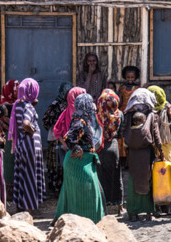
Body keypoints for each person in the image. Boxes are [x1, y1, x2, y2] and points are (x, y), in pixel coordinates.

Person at [54, 93, 106, 223]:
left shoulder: (85, 119)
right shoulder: (80, 120)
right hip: (78, 163)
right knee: (86, 193)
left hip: (85, 162)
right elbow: (69, 137)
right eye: (90, 104)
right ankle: (85, 222)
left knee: (86, 192)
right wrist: (77, 149)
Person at [123, 88, 164, 222]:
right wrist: (161, 152)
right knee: (147, 180)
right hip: (147, 154)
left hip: (132, 154)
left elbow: (124, 134)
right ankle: (148, 212)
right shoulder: (152, 114)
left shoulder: (128, 115)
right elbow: (156, 135)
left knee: (133, 181)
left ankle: (133, 213)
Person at [8, 78, 46, 212]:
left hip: (21, 144)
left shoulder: (17, 105)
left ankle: (19, 206)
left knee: (21, 174)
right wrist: (32, 131)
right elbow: (25, 123)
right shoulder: (28, 107)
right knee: (30, 175)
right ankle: (29, 209)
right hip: (30, 145)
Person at [42, 82, 73, 197]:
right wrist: (58, 126)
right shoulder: (55, 105)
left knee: (63, 164)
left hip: (67, 139)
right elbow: (45, 120)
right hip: (55, 138)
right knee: (55, 165)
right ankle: (55, 190)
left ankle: (64, 190)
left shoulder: (71, 104)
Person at [96, 89, 124, 215]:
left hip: (100, 147)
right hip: (113, 146)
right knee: (116, 176)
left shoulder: (97, 115)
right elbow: (120, 134)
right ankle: (120, 207)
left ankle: (103, 207)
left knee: (101, 177)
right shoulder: (120, 114)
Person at [53, 87, 87, 164]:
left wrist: (67, 146)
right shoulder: (86, 113)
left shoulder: (65, 113)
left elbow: (56, 131)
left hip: (70, 153)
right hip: (84, 153)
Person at [0, 79, 19, 200]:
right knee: (8, 162)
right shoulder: (5, 106)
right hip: (9, 138)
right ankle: (8, 192)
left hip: (14, 137)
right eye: (15, 90)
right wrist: (10, 128)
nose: (17, 92)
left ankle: (13, 191)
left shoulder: (19, 104)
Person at [118, 66, 141, 166]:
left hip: (132, 114)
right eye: (128, 77)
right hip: (123, 113)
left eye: (132, 77)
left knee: (130, 135)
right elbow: (119, 101)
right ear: (125, 77)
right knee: (122, 135)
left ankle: (129, 160)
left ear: (135, 77)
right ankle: (122, 159)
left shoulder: (137, 88)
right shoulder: (122, 88)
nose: (130, 80)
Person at [147, 85, 171, 163]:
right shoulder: (147, 107)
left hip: (164, 140)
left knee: (167, 161)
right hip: (152, 140)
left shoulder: (167, 106)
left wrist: (169, 113)